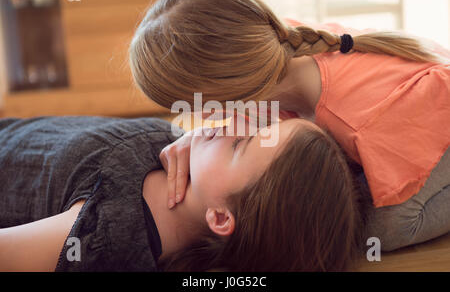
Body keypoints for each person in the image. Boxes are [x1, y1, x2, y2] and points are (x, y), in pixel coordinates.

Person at [129, 0, 450, 252]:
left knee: (371, 230)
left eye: (191, 107)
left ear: (222, 98)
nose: (194, 118)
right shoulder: (274, 46)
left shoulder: (361, 124)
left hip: (433, 117)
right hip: (410, 92)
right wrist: (199, 137)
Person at [0, 115, 363, 271]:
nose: (232, 120)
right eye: (262, 124)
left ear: (220, 217)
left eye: (239, 143)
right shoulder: (179, 147)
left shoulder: (108, 237)